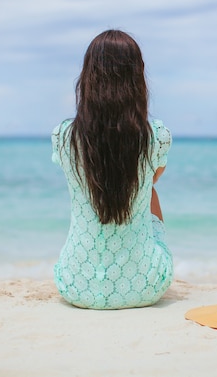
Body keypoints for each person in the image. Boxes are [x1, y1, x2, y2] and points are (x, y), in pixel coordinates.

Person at [51, 29, 173, 309]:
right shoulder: (156, 134)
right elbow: (152, 180)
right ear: (137, 79)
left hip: (75, 283)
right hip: (145, 285)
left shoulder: (63, 135)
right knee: (149, 190)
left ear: (88, 78)